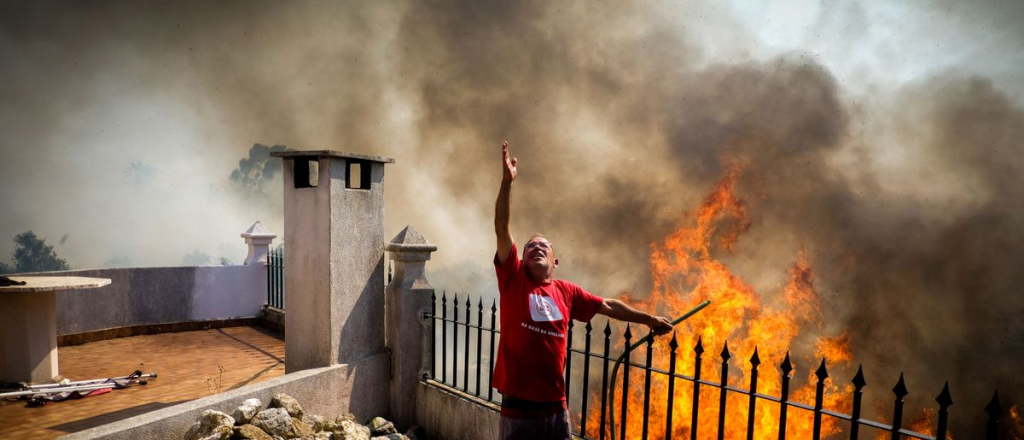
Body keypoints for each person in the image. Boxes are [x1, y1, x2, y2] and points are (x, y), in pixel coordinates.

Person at [493, 140, 673, 440]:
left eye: (544, 245)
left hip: (556, 407)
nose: (536, 247)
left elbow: (609, 305)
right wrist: (507, 183)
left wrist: (649, 320)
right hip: (519, 408)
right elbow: (501, 226)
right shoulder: (513, 278)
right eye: (530, 246)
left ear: (555, 260)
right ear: (521, 258)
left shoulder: (567, 291)